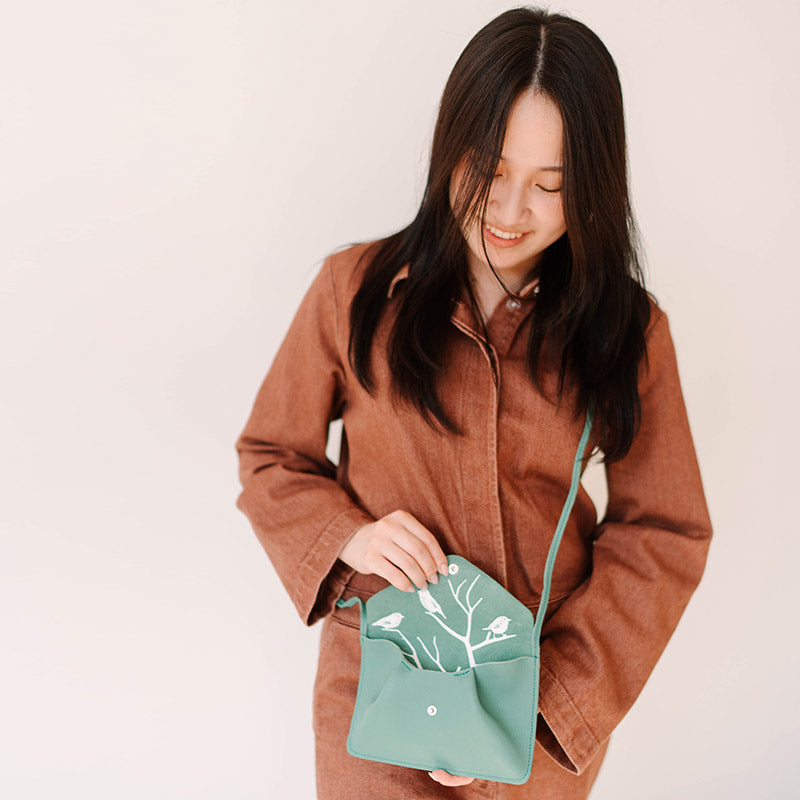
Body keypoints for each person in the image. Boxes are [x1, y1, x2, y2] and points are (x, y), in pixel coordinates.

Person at [234, 6, 713, 799]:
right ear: (449, 144)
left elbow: (666, 531)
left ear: (592, 187)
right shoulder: (353, 291)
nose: (510, 210)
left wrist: (550, 702)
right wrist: (348, 536)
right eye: (490, 169)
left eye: (550, 186)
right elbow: (270, 455)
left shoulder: (629, 331)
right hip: (377, 697)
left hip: (535, 718)